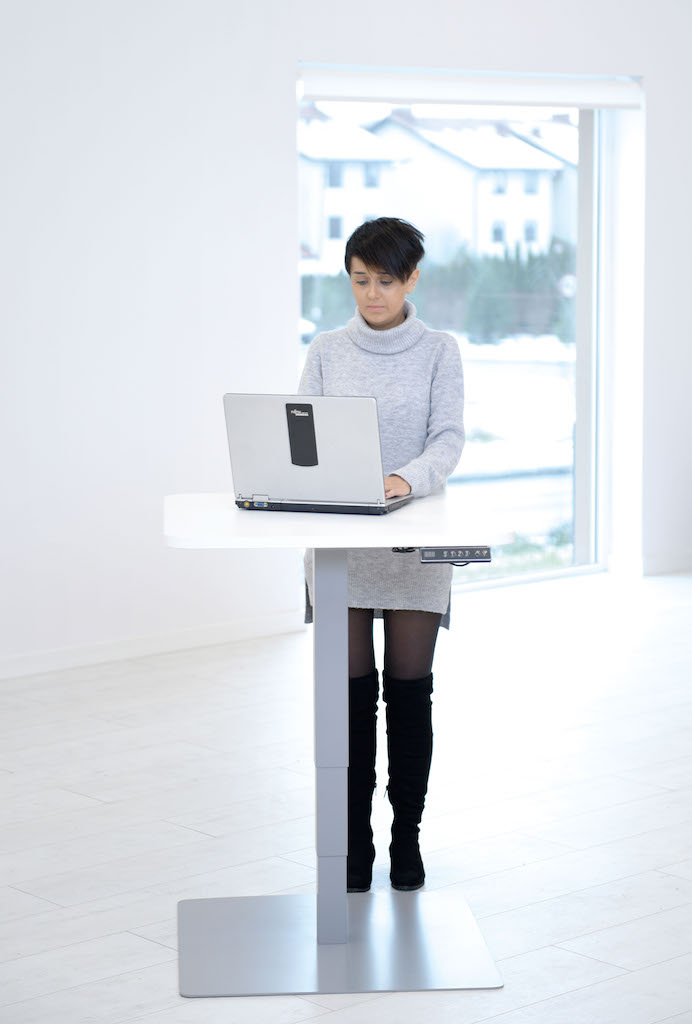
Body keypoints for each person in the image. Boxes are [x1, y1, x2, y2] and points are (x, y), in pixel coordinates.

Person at [300, 217, 464, 892]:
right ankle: (353, 846)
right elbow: (302, 439)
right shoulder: (326, 350)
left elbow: (448, 438)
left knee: (408, 695)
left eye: (386, 281)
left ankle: (406, 839)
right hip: (342, 543)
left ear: (412, 280)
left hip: (413, 542)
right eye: (361, 280)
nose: (372, 294)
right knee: (349, 701)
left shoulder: (440, 351)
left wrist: (405, 478)